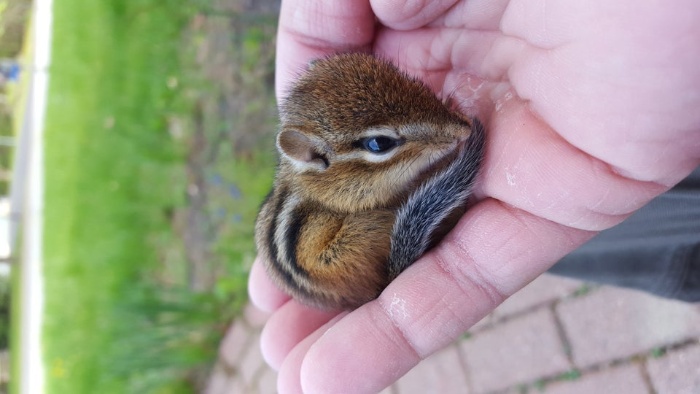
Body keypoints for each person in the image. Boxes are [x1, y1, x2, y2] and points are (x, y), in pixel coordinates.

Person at [247, 1, 700, 393]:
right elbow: (377, 196)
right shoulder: (341, 189)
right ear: (313, 157)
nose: (451, 131)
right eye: (381, 144)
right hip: (348, 257)